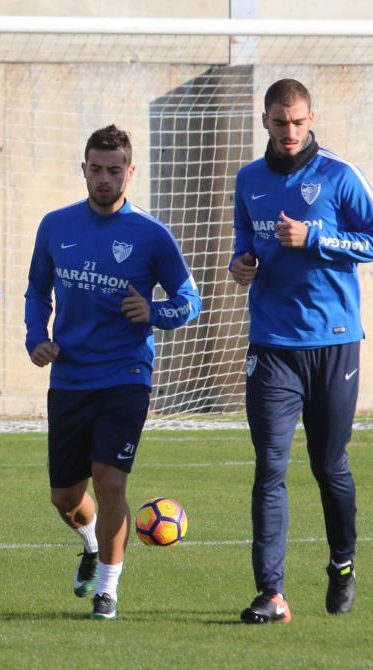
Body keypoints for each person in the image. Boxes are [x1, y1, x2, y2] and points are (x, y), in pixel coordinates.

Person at [24, 124, 201, 620]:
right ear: (84, 169)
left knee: (110, 480)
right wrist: (36, 337)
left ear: (131, 171)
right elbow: (37, 291)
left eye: (114, 169)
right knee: (65, 496)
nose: (105, 178)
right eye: (96, 169)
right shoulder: (55, 226)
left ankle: (108, 590)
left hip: (126, 377)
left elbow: (191, 301)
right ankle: (90, 542)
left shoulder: (152, 235)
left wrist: (156, 312)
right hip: (70, 379)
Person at [231, 79, 372, 624]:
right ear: (264, 120)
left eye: (297, 122)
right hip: (272, 346)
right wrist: (240, 265)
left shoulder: (339, 175)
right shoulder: (249, 179)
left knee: (329, 464)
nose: (289, 131)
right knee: (270, 466)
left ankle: (342, 562)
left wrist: (316, 237)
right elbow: (247, 245)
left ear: (311, 119)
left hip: (334, 343)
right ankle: (271, 593)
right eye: (278, 121)